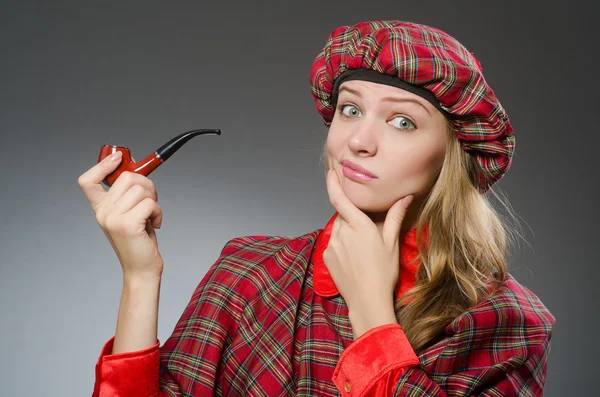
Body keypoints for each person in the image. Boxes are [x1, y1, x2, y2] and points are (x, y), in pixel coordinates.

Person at [79, 20, 554, 396]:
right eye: (350, 109)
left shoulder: (508, 321)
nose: (359, 141)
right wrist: (140, 276)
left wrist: (371, 311)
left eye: (402, 121)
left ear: (451, 155)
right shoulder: (250, 271)